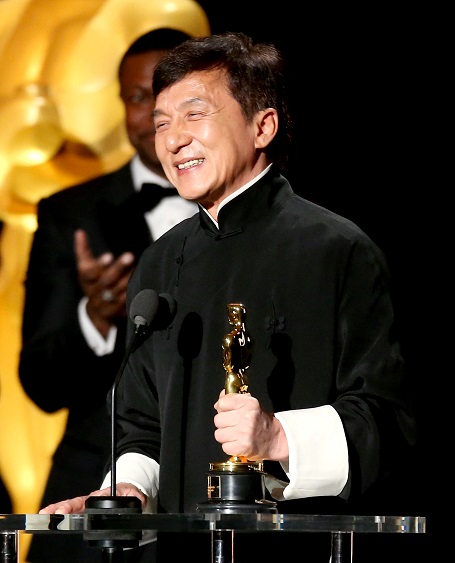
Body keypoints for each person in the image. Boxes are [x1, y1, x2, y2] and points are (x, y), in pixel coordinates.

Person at [39, 32, 417, 562]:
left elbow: (389, 418)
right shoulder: (159, 262)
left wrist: (279, 436)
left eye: (194, 115)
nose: (172, 140)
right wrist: (132, 486)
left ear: (263, 125)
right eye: (162, 123)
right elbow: (141, 424)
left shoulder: (337, 250)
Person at [18, 28, 200, 563]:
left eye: (173, 95)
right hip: (93, 501)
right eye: (139, 98)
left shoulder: (261, 217)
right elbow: (42, 383)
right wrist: (94, 318)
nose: (155, 117)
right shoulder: (70, 215)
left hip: (212, 508)